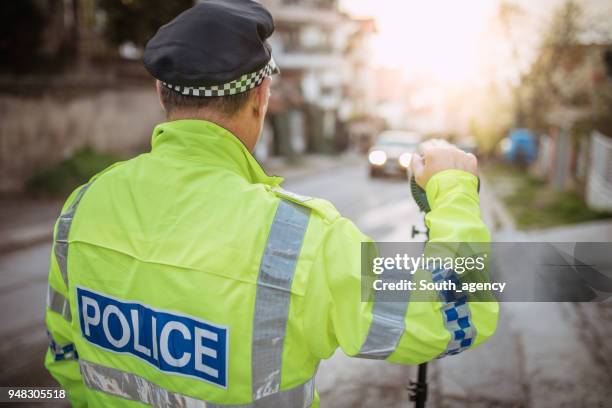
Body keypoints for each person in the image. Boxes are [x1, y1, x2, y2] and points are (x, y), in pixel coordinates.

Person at [44, 1, 498, 406]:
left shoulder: (82, 207)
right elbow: (457, 312)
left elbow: (67, 359)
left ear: (161, 93)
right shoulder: (301, 238)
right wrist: (453, 188)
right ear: (261, 98)